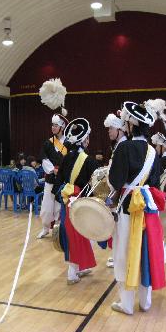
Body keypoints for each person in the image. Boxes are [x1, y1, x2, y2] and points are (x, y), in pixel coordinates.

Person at [108, 100, 166, 315]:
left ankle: (126, 303)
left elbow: (116, 180)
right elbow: (155, 182)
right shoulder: (153, 151)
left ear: (131, 126)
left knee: (124, 251)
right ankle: (145, 302)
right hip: (148, 208)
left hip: (127, 207)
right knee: (145, 251)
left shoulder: (124, 148)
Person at [52, 118, 98, 284]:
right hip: (82, 205)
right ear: (84, 140)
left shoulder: (64, 158)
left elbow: (57, 185)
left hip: (67, 202)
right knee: (80, 236)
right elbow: (94, 187)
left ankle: (79, 268)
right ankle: (72, 273)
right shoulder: (90, 161)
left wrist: (64, 198)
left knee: (72, 236)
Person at [101, 110, 129, 268]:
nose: (109, 131)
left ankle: (120, 256)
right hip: (115, 191)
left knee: (120, 227)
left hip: (120, 193)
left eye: (111, 128)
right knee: (116, 227)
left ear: (119, 129)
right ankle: (116, 255)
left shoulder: (123, 146)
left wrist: (112, 195)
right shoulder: (118, 146)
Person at [37, 113, 69, 239]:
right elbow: (43, 158)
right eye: (52, 125)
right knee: (46, 207)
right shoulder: (48, 143)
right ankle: (45, 228)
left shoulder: (68, 143)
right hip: (50, 179)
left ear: (62, 127)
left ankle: (57, 230)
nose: (53, 127)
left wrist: (61, 171)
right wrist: (52, 170)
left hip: (62, 181)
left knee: (58, 208)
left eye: (56, 125)